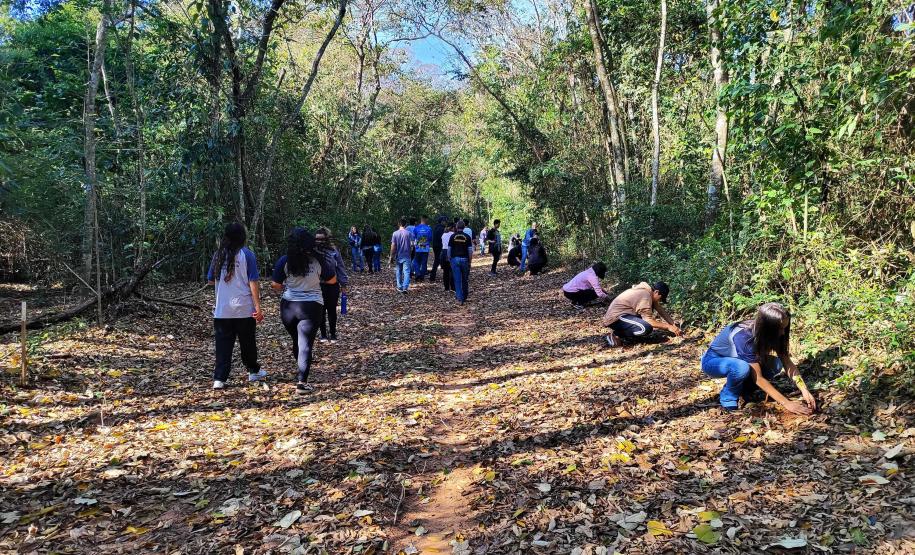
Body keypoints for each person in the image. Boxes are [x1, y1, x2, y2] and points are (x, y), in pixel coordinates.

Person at [701, 303, 816, 414]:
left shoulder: (776, 332)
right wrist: (787, 403)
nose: (782, 333)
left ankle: (744, 390)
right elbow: (758, 378)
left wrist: (804, 389)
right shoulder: (744, 336)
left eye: (784, 328)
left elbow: (787, 362)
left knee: (775, 364)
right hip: (714, 361)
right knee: (741, 368)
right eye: (780, 329)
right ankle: (728, 397)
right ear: (767, 328)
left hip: (740, 360)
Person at [271, 228, 335, 393]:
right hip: (311, 306)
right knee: (305, 343)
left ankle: (301, 369)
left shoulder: (284, 261)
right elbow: (332, 279)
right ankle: (302, 382)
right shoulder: (318, 259)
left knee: (297, 341)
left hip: (288, 307)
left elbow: (276, 286)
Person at [207, 223, 266, 390]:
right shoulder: (247, 254)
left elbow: (211, 279)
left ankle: (219, 378)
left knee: (223, 345)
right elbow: (253, 281)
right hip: (244, 308)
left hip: (222, 310)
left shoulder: (218, 255)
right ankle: (253, 371)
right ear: (242, 237)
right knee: (247, 343)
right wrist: (257, 307)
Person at [603, 281, 682, 347]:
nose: (659, 301)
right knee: (645, 328)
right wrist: (668, 327)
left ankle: (626, 335)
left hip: (623, 316)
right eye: (660, 298)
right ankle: (616, 335)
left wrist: (672, 324)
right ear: (656, 292)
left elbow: (661, 310)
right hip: (616, 317)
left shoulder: (647, 292)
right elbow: (649, 321)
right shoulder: (645, 296)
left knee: (644, 326)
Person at [315, 227, 348, 343]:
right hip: (318, 286)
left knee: (332, 310)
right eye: (317, 239)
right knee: (320, 311)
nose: (319, 241)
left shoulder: (333, 250)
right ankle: (323, 334)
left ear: (327, 238)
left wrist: (343, 285)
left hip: (332, 285)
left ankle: (333, 333)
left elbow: (340, 267)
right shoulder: (313, 250)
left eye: (321, 239)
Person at [448, 220, 473, 304]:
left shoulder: (452, 236)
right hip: (465, 259)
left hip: (455, 259)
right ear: (464, 227)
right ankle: (465, 296)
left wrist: (449, 258)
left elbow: (449, 249)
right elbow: (470, 250)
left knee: (457, 279)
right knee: (465, 279)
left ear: (456, 227)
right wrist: (470, 261)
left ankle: (460, 298)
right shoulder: (467, 237)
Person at [389, 218, 413, 293]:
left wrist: (391, 256)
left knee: (399, 271)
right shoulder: (409, 233)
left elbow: (393, 246)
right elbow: (412, 245)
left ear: (398, 224)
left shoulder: (395, 233)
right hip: (407, 255)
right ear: (405, 225)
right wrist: (410, 252)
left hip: (398, 255)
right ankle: (405, 287)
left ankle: (399, 286)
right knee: (407, 272)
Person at [412, 215, 433, 282]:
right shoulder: (429, 228)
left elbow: (414, 237)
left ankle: (418, 273)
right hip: (425, 248)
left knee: (416, 262)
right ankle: (422, 276)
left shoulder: (416, 228)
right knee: (424, 263)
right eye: (427, 219)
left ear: (421, 219)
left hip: (418, 248)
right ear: (425, 219)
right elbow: (430, 239)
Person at [430, 216, 446, 282]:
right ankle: (433, 276)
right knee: (440, 260)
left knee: (437, 260)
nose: (445, 222)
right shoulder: (441, 228)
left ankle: (432, 276)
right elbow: (442, 238)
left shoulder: (435, 227)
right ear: (441, 221)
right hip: (439, 246)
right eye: (444, 221)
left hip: (435, 246)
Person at [440, 223, 455, 292]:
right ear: (453, 228)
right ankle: (452, 287)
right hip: (451, 251)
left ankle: (446, 287)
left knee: (445, 271)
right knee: (452, 270)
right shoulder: (453, 234)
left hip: (443, 252)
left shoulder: (443, 234)